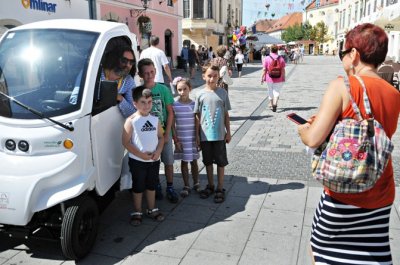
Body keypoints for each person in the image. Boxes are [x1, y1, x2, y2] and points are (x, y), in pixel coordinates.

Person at [297, 23, 400, 264]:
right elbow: (371, 133)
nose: (342, 57)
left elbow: (314, 138)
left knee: (321, 250)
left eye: (343, 52)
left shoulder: (342, 86)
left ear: (354, 54)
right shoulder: (394, 94)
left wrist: (304, 130)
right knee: (370, 254)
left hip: (344, 190)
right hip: (380, 188)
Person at [137, 58, 179, 203]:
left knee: (168, 161)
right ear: (140, 75)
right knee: (151, 164)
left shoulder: (163, 89)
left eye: (152, 72)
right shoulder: (138, 91)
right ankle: (155, 187)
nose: (149, 75)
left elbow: (170, 112)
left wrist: (168, 133)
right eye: (146, 73)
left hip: (163, 133)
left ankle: (170, 187)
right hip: (148, 135)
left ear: (155, 71)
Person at [122, 86, 165, 226]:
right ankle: (137, 211)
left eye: (149, 102)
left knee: (151, 185)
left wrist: (158, 151)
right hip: (137, 161)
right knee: (138, 186)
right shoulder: (131, 120)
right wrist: (141, 155)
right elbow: (126, 142)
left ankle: (152, 209)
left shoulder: (155, 119)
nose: (147, 105)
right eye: (143, 102)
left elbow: (161, 137)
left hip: (153, 160)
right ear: (135, 103)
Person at [194, 62, 231, 203]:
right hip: (205, 136)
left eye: (215, 76)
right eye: (209, 76)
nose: (212, 79)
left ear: (218, 77)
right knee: (207, 162)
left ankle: (220, 188)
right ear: (204, 76)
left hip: (220, 135)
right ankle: (210, 185)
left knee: (221, 162)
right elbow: (197, 116)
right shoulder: (199, 94)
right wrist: (197, 135)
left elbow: (226, 114)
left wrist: (228, 132)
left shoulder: (223, 93)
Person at [171, 77, 200, 197]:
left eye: (185, 89)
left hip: (192, 137)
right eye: (179, 90)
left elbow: (197, 121)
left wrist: (198, 136)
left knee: (194, 161)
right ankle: (186, 184)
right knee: (184, 161)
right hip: (182, 138)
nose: (182, 92)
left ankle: (196, 182)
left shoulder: (194, 104)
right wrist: (176, 139)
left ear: (190, 89)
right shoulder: (174, 105)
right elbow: (172, 124)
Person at [261, 44, 286, 112]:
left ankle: (271, 104)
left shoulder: (267, 58)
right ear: (277, 50)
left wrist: (262, 77)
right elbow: (283, 69)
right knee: (276, 91)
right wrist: (283, 77)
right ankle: (275, 103)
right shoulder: (281, 58)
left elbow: (264, 69)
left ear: (270, 50)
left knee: (270, 91)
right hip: (279, 77)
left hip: (269, 78)